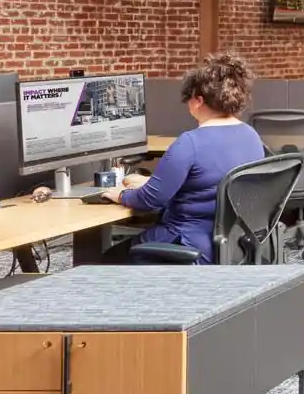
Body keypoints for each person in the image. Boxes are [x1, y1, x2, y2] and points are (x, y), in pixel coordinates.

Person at [101, 54, 264, 262]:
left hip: (188, 243)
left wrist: (120, 194)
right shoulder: (251, 136)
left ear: (198, 101)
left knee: (102, 262)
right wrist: (152, 183)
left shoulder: (190, 143)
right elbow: (208, 183)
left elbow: (150, 200)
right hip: (234, 244)